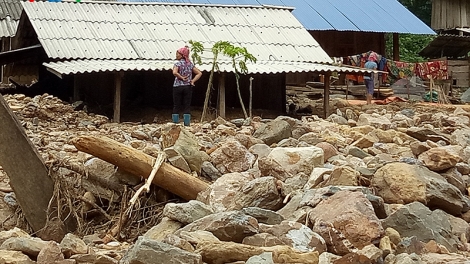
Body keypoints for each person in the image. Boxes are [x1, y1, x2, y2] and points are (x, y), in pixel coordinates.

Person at [172, 46, 202, 126]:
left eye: (177, 54)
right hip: (187, 87)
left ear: (182, 55)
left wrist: (181, 77)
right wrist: (193, 81)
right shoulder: (190, 64)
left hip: (177, 86)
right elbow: (199, 73)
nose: (176, 55)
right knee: (187, 105)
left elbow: (174, 72)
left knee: (176, 105)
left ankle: (175, 123)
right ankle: (187, 123)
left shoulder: (177, 63)